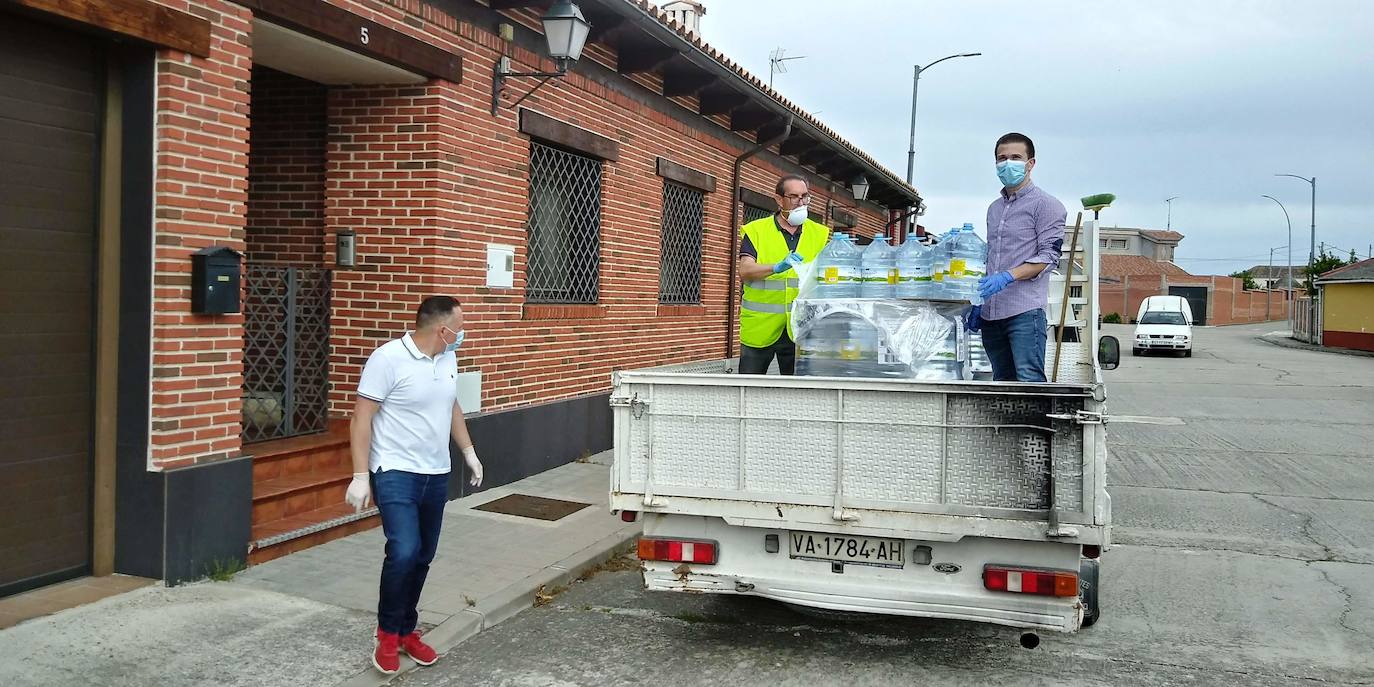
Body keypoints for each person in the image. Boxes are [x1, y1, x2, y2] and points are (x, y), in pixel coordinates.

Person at [344, 295, 484, 675]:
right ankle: (387, 634)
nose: (462, 333)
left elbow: (451, 406)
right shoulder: (387, 359)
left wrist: (468, 452)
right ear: (443, 330)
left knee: (423, 555)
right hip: (395, 472)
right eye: (460, 325)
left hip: (435, 473)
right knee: (404, 551)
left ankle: (407, 629)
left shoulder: (447, 358)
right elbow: (362, 418)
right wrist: (360, 476)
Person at [969, 132, 1066, 382]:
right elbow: (991, 257)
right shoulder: (994, 209)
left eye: (1015, 157)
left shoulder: (1046, 205)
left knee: (1029, 382)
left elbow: (1049, 257)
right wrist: (978, 300)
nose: (1007, 163)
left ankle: (1034, 423)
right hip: (992, 314)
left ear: (1030, 164)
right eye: (1002, 158)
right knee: (1001, 382)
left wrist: (1007, 277)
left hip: (1024, 312)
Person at [736, 174, 831, 374]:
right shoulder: (756, 231)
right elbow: (745, 270)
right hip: (761, 327)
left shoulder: (820, 234)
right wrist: (775, 267)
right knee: (748, 389)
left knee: (797, 394)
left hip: (801, 327)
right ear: (779, 200)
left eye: (805, 196)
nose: (801, 202)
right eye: (794, 196)